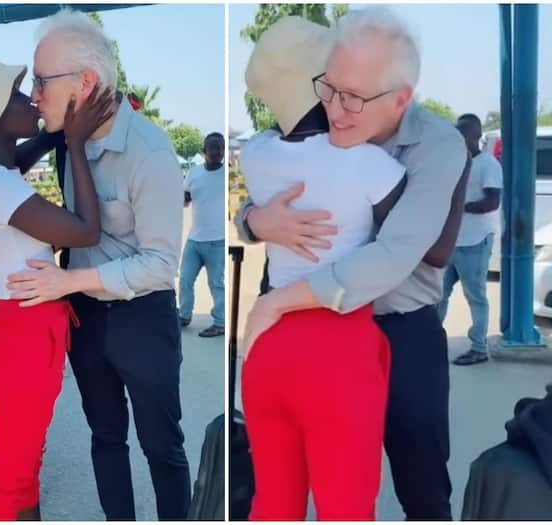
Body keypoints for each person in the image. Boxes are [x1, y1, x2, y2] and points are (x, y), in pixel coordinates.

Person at [235, 7, 469, 520]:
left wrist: (276, 301)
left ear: (402, 99)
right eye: (331, 89)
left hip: (400, 329)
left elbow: (414, 251)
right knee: (292, 486)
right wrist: (254, 219)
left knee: (423, 487)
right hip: (317, 337)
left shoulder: (437, 144)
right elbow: (270, 183)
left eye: (355, 98)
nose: (337, 111)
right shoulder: (319, 118)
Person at [5, 9, 191, 520]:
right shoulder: (70, 145)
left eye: (43, 81)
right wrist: (56, 136)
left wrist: (70, 279)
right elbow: (2, 162)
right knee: (106, 438)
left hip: (142, 317)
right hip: (88, 320)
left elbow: (159, 263)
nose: (35, 95)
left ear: (86, 82)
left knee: (162, 447)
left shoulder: (150, 152)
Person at [0, 55, 113, 521]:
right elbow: (85, 230)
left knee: (24, 460)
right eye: (18, 96)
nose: (31, 99)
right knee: (8, 474)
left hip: (20, 326)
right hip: (25, 333)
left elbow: (21, 154)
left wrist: (56, 130)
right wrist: (73, 144)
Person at [439, 114, 502, 366]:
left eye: (462, 136)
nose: (458, 141)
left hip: (475, 241)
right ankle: (431, 339)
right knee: (437, 295)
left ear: (475, 137)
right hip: (451, 241)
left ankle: (479, 347)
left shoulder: (488, 164)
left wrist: (459, 207)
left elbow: (492, 201)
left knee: (475, 296)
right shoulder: (454, 162)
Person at [179, 132, 226, 337]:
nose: (218, 152)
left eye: (221, 148)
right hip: (194, 239)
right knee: (185, 280)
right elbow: (185, 199)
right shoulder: (194, 173)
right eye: (213, 148)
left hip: (218, 241)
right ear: (204, 151)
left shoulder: (226, 174)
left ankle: (220, 322)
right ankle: (184, 316)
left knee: (216, 284)